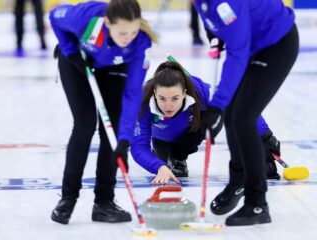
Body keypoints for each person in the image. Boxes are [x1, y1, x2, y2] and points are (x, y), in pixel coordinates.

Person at [49, 0, 157, 225]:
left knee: (115, 130)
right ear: (108, 22)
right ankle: (68, 199)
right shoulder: (86, 18)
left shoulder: (139, 43)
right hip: (78, 61)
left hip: (113, 65)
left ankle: (104, 202)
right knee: (85, 124)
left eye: (134, 31)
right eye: (123, 32)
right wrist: (70, 52)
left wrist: (126, 137)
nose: (129, 37)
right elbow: (54, 15)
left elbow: (133, 94)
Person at [192, 0, 299, 226]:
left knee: (243, 118)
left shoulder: (227, 3)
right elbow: (210, 18)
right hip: (254, 42)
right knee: (233, 115)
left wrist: (216, 104)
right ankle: (238, 179)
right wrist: (213, 33)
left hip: (276, 44)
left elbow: (237, 53)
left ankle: (257, 203)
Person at [130, 61, 282, 185]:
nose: (168, 106)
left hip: (195, 128)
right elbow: (138, 148)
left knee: (214, 119)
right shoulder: (141, 104)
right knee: (159, 163)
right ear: (155, 94)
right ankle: (169, 155)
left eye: (175, 98)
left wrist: (264, 137)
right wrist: (160, 166)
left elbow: (240, 103)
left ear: (184, 94)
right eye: (162, 98)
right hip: (161, 135)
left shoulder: (201, 92)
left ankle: (179, 155)